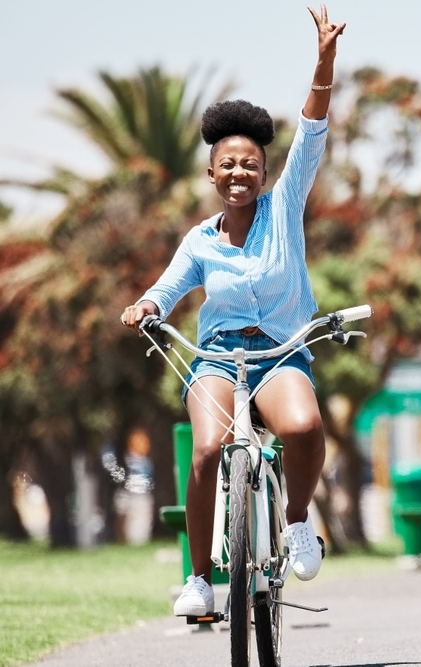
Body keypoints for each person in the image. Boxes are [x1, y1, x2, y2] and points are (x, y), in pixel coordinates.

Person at [120, 5, 346, 616]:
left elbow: (313, 129)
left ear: (266, 171)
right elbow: (168, 287)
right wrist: (146, 304)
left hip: (278, 352)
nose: (240, 172)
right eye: (228, 164)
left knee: (301, 428)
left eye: (251, 163)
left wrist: (323, 61)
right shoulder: (200, 240)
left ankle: (297, 520)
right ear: (212, 173)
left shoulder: (284, 206)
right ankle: (198, 580)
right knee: (207, 448)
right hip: (217, 358)